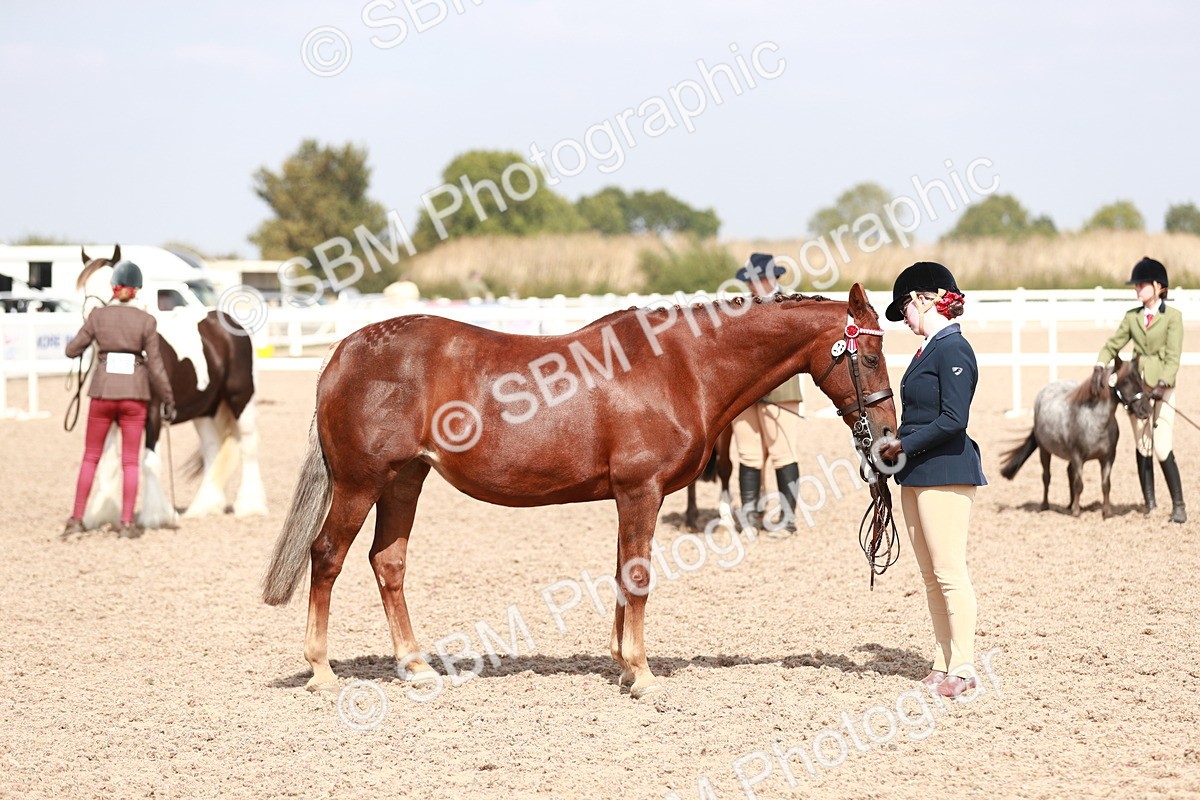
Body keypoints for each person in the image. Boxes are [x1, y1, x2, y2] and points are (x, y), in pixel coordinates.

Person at [877, 262, 987, 699]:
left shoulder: (954, 350)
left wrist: (901, 446)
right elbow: (920, 417)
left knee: (950, 572)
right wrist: (886, 450)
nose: (904, 317)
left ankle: (964, 666)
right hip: (917, 472)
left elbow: (953, 420)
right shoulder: (927, 350)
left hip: (946, 470)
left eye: (905, 306)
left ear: (925, 298)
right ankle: (943, 660)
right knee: (929, 575)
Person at [63, 261, 175, 537]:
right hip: (134, 395)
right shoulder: (147, 321)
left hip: (102, 393)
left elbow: (72, 350)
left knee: (91, 456)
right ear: (137, 290)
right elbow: (157, 366)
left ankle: (76, 519)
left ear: (114, 287)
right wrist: (168, 398)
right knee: (129, 461)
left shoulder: (98, 316)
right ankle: (126, 523)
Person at [1093, 257, 1186, 523]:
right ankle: (1150, 502)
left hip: (1162, 391)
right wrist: (1101, 362)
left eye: (1142, 284)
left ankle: (1178, 504)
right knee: (1142, 444)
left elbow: (1173, 356)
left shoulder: (1173, 318)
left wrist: (1163, 383)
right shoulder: (1131, 317)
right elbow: (1114, 343)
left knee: (1162, 446)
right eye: (1136, 285)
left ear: (1159, 286)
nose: (1137, 289)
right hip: (1136, 391)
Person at [732, 253, 804, 535]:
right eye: (750, 280)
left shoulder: (788, 306)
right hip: (745, 392)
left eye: (756, 279)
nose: (752, 285)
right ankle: (750, 514)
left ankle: (787, 518)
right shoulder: (740, 309)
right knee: (748, 454)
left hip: (780, 391)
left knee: (783, 452)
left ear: (770, 278)